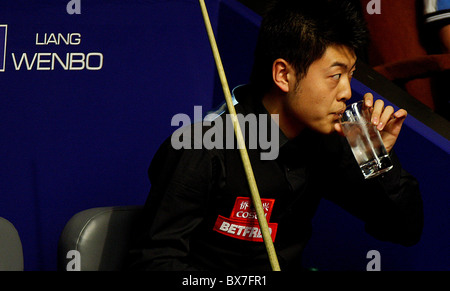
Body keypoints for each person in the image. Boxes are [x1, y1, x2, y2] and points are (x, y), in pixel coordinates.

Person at [127, 0, 423, 271]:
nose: (347, 92)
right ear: (283, 75)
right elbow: (153, 263)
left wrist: (379, 160)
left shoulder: (325, 143)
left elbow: (404, 230)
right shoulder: (204, 147)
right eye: (335, 75)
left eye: (350, 75)